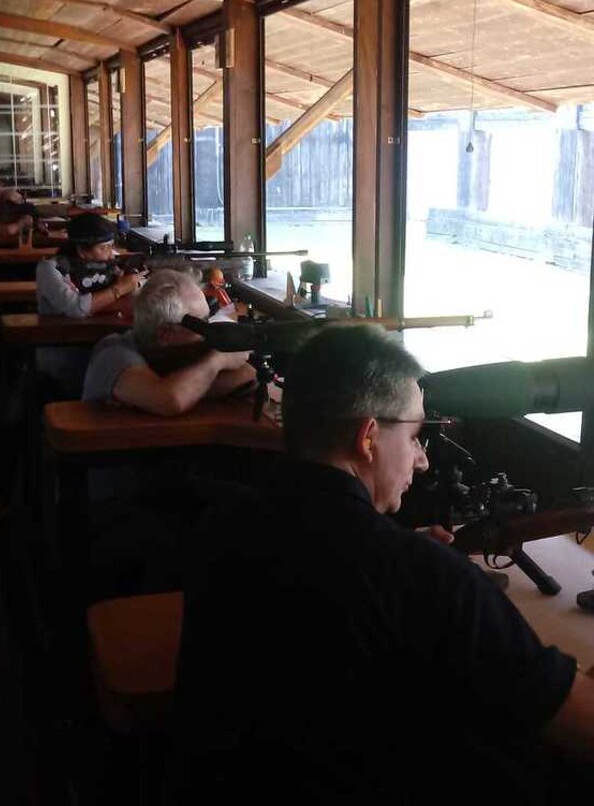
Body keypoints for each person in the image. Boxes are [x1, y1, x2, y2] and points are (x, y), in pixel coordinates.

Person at [165, 323, 594, 804]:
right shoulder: (427, 579)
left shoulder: (223, 521)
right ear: (368, 437)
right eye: (415, 436)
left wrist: (397, 551)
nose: (422, 460)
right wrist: (420, 566)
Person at [82, 268, 255, 416]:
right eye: (201, 323)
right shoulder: (113, 353)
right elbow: (170, 399)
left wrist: (195, 384)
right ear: (165, 334)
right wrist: (217, 361)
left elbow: (246, 375)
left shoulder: (180, 354)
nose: (208, 329)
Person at [36, 212, 144, 318]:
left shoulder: (106, 265)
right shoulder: (50, 269)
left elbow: (130, 302)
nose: (111, 255)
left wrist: (131, 284)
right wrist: (120, 289)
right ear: (81, 250)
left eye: (111, 246)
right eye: (104, 248)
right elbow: (75, 308)